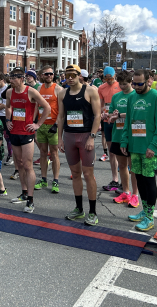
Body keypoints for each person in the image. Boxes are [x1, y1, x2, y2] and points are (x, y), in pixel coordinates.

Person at [120, 69, 157, 232]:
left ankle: (149, 217)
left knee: (149, 181)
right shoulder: (132, 97)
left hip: (149, 148)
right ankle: (144, 210)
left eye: (140, 83)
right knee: (139, 180)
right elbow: (128, 122)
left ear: (149, 80)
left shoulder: (156, 97)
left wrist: (154, 146)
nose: (136, 86)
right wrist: (124, 140)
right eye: (134, 83)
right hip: (135, 146)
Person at [58, 65, 102, 226]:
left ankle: (92, 211)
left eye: (72, 75)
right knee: (75, 173)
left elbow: (97, 115)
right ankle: (79, 208)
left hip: (85, 136)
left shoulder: (90, 91)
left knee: (88, 174)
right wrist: (60, 138)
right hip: (69, 136)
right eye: (67, 75)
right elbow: (61, 117)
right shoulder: (63, 93)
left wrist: (92, 137)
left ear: (79, 75)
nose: (69, 78)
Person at [6, 67, 51, 214]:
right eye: (10, 77)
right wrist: (8, 120)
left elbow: (47, 107)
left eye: (13, 78)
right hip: (14, 131)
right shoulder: (9, 92)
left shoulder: (30, 91)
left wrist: (37, 124)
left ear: (21, 78)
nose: (11, 80)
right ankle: (24, 192)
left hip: (27, 132)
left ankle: (31, 200)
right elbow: (8, 106)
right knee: (19, 164)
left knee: (27, 165)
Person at [106, 70, 139, 208]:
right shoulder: (116, 96)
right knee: (122, 166)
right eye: (120, 84)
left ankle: (135, 195)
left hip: (133, 136)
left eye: (125, 84)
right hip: (118, 134)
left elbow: (135, 113)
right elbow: (111, 114)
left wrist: (119, 115)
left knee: (133, 167)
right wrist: (111, 116)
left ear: (131, 82)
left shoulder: (136, 96)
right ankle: (125, 191)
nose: (122, 86)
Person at [34, 66, 63, 194]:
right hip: (41, 125)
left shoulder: (58, 89)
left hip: (53, 125)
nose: (49, 76)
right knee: (42, 153)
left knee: (54, 153)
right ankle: (44, 179)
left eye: (51, 74)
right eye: (46, 74)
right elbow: (36, 106)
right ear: (41, 75)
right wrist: (34, 123)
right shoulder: (38, 89)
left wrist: (57, 124)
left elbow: (62, 110)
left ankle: (55, 181)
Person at [0, 73, 13, 166]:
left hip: (5, 115)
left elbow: (5, 105)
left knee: (7, 136)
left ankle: (10, 155)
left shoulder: (7, 89)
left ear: (3, 80)